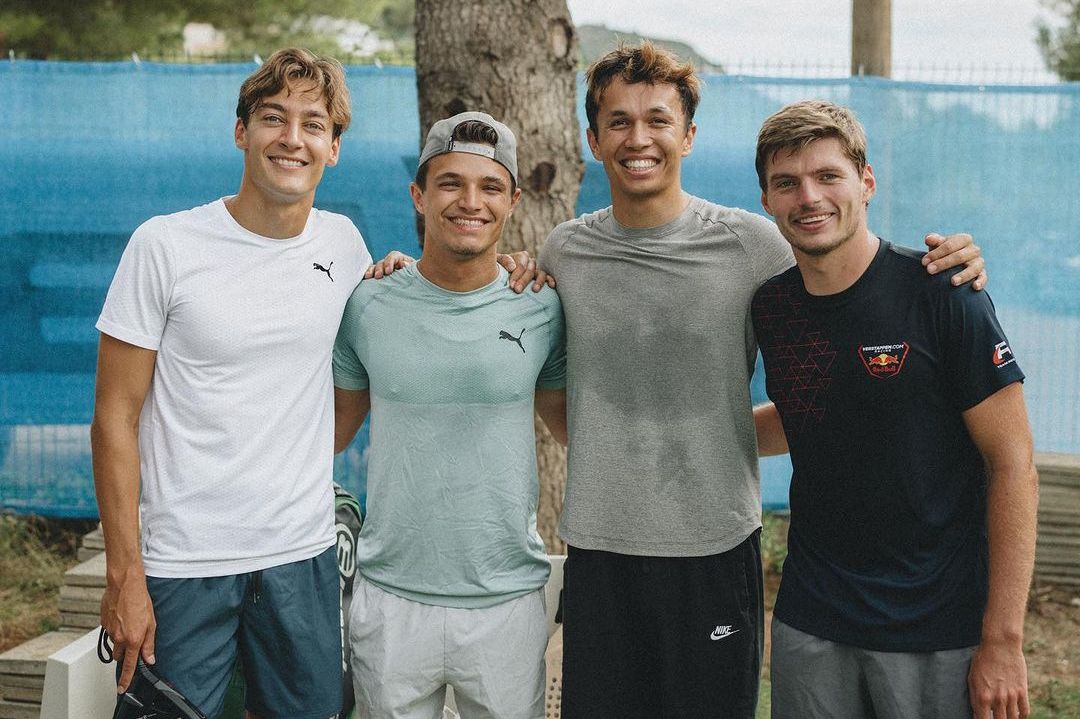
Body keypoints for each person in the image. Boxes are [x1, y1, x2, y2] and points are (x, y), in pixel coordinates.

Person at [535, 43, 989, 719]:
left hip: (716, 551)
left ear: (687, 135)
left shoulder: (752, 244)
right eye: (619, 121)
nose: (639, 138)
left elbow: (848, 278)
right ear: (593, 138)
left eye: (658, 119)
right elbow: (552, 393)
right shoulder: (564, 250)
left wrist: (955, 260)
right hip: (601, 553)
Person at [91, 48, 371, 718]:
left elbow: (356, 378)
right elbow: (113, 417)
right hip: (183, 566)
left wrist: (291, 459)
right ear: (242, 131)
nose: (292, 138)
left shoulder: (345, 246)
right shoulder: (164, 246)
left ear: (333, 147)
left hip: (301, 558)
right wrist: (125, 573)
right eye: (273, 118)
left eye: (312, 124)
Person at [751, 100, 1037, 719]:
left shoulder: (943, 290)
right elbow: (813, 408)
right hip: (812, 619)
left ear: (867, 182)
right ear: (767, 200)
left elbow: (1013, 463)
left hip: (937, 626)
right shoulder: (772, 307)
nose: (809, 197)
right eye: (787, 183)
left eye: (828, 176)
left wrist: (1003, 640)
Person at [333, 111, 568, 719]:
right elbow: (328, 432)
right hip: (389, 599)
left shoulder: (542, 305)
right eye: (449, 183)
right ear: (418, 195)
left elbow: (572, 426)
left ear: (513, 200)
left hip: (507, 599)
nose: (470, 202)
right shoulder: (365, 303)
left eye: (490, 187)